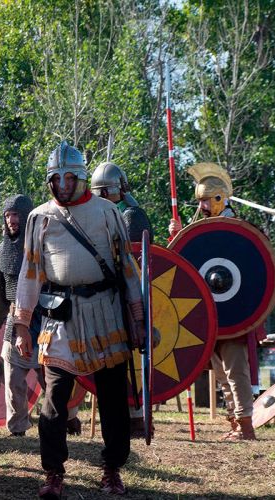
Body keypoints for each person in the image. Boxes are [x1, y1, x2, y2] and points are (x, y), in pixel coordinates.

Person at [14, 142, 146, 498]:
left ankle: (112, 469)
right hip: (61, 317)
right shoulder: (39, 217)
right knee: (54, 398)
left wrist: (138, 317)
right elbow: (30, 272)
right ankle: (53, 473)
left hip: (106, 311)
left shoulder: (106, 213)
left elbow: (127, 269)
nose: (62, 184)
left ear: (82, 177)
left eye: (69, 176)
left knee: (113, 397)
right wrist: (22, 324)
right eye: (55, 178)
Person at [168, 162, 261, 441]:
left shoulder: (237, 229)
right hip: (211, 311)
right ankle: (234, 422)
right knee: (221, 371)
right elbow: (188, 265)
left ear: (220, 198)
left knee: (235, 369)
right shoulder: (203, 229)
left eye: (207, 201)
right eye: (201, 201)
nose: (203, 206)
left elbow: (253, 269)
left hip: (234, 310)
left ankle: (246, 425)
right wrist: (179, 235)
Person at [90, 161, 154, 438]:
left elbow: (137, 259)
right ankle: (121, 417)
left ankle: (138, 418)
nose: (104, 197)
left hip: (128, 295)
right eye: (100, 193)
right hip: (103, 294)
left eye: (106, 192)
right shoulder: (94, 216)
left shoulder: (131, 215)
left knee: (129, 353)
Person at [0, 194, 37, 437]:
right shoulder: (3, 251)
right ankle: (18, 427)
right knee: (13, 382)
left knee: (51, 381)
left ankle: (56, 421)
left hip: (42, 321)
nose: (11, 220)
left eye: (16, 215)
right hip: (13, 324)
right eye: (7, 216)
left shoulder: (40, 245)